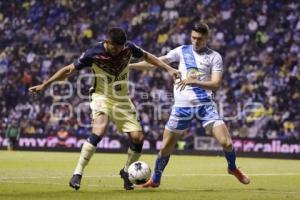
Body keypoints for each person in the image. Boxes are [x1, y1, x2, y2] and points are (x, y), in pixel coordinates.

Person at [29, 27, 180, 190]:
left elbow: (148, 56)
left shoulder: (128, 47)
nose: (118, 51)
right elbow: (68, 70)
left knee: (138, 138)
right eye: (115, 47)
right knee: (99, 130)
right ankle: (77, 173)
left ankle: (126, 171)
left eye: (121, 47)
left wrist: (169, 69)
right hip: (101, 96)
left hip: (122, 99)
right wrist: (45, 85)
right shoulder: (93, 53)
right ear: (107, 42)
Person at [129, 22, 250, 188]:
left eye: (200, 39)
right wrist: (130, 66)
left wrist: (194, 81)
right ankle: (156, 179)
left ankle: (232, 168)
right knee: (165, 147)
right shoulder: (181, 51)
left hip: (205, 106)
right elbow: (157, 62)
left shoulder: (215, 57)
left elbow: (216, 84)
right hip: (181, 107)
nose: (195, 41)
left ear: (207, 38)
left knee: (227, 143)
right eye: (193, 37)